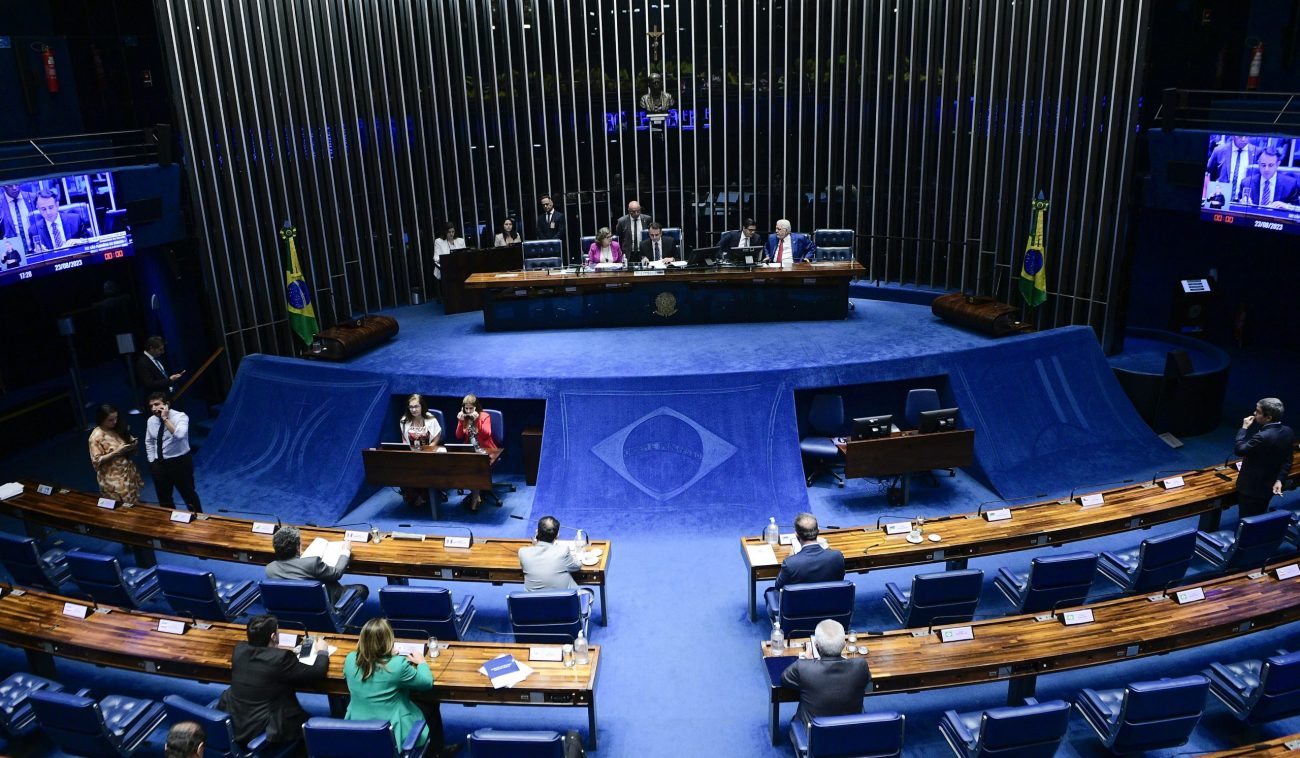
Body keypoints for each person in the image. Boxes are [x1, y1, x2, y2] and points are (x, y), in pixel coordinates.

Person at [344, 617, 459, 758]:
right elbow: (426, 683)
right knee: (430, 703)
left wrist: (386, 654)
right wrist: (422, 662)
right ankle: (436, 753)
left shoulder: (350, 660)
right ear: (388, 641)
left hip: (356, 728)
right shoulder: (397, 665)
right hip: (391, 731)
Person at [218, 614, 329, 749]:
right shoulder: (280, 658)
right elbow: (316, 673)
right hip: (263, 725)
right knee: (309, 725)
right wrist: (322, 651)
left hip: (237, 718)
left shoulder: (239, 649)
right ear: (273, 637)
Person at [779, 619, 871, 725]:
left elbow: (784, 679)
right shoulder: (861, 666)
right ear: (844, 645)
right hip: (851, 731)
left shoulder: (803, 667)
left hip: (814, 736)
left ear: (816, 646)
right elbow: (867, 682)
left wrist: (808, 661)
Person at [266, 524, 370, 605]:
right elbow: (336, 573)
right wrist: (346, 551)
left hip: (293, 610)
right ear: (298, 548)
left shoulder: (270, 569)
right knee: (362, 589)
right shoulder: (311, 563)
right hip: (327, 604)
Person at [764, 513, 845, 611]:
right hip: (829, 608)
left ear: (796, 534)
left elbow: (778, 587)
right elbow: (839, 579)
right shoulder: (837, 556)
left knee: (769, 592)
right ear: (818, 531)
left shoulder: (790, 563)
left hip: (798, 611)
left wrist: (791, 558)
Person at [1234, 397, 1295, 518]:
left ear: (1268, 417)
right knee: (1259, 515)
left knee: (1247, 520)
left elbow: (1239, 450)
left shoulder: (1263, 436)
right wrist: (1279, 480)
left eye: (1258, 412)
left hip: (1250, 489)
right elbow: (1287, 459)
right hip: (1269, 486)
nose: (1254, 413)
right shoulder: (1288, 431)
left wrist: (1244, 428)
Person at [145, 392, 202, 512]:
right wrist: (152, 461)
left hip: (179, 462)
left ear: (167, 404)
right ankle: (169, 525)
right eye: (151, 406)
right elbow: (149, 441)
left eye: (157, 404)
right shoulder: (151, 421)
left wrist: (165, 419)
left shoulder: (180, 417)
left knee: (189, 495)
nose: (154, 408)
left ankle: (199, 522)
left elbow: (180, 435)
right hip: (159, 464)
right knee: (164, 499)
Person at [88, 403, 143, 503]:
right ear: (102, 419)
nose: (115, 422)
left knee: (134, 503)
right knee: (121, 508)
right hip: (113, 480)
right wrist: (116, 452)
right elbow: (96, 461)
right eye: (110, 420)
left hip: (127, 474)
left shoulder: (117, 428)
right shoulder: (96, 437)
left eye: (116, 418)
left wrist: (133, 444)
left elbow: (128, 440)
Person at [454, 394, 496, 512]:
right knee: (465, 465)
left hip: (486, 449)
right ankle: (476, 494)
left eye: (471, 408)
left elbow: (486, 434)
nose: (468, 411)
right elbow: (458, 435)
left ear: (476, 408)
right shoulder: (464, 417)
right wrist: (460, 421)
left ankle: (475, 497)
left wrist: (476, 420)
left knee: (474, 466)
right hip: (469, 450)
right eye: (466, 408)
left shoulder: (485, 416)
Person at [399, 393, 441, 508]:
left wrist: (428, 450)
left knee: (425, 469)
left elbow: (437, 438)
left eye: (416, 406)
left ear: (422, 406)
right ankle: (415, 496)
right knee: (401, 471)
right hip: (412, 455)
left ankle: (425, 496)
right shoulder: (404, 420)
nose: (414, 409)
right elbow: (404, 440)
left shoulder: (431, 419)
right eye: (411, 407)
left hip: (429, 454)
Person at [518, 515, 581, 591]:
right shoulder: (563, 551)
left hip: (534, 602)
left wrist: (536, 544)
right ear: (557, 536)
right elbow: (577, 566)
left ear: (537, 532)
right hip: (563, 601)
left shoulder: (523, 552)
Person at [1206, 135, 1259, 200]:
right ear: (1233, 136)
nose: (1243, 139)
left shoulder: (1257, 152)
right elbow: (1210, 172)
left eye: (1247, 136)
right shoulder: (1219, 151)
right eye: (1240, 136)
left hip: (1245, 199)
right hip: (1222, 197)